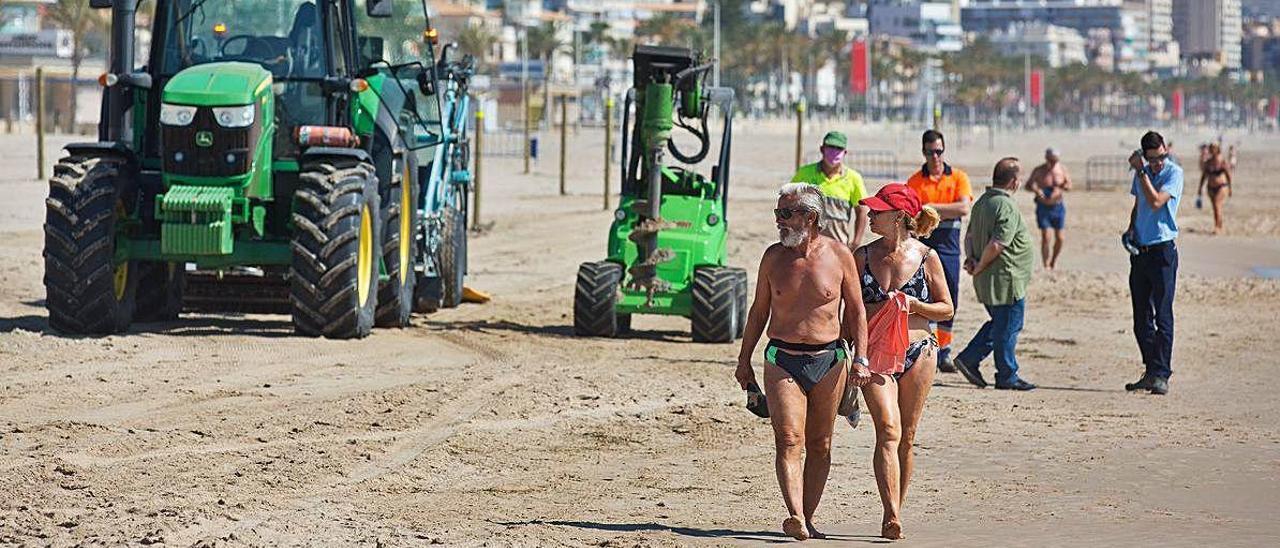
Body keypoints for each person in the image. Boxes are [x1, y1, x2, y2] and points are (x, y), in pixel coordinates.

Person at [736, 183, 871, 541]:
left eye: (785, 214)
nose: (778, 221)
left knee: (821, 443)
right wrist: (744, 359)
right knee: (788, 438)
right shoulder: (772, 257)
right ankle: (794, 514)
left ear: (810, 218)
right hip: (782, 358)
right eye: (777, 213)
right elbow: (758, 311)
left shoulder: (840, 255)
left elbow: (857, 311)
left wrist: (862, 358)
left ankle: (808, 518)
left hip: (830, 360)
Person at [854, 184, 953, 540]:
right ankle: (893, 513)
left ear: (898, 217)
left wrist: (913, 305)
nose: (870, 215)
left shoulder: (927, 257)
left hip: (920, 351)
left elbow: (947, 308)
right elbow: (849, 313)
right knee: (888, 430)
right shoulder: (861, 257)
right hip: (876, 356)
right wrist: (881, 307)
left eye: (877, 211)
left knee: (907, 437)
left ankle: (892, 509)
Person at [951, 158, 1037, 391]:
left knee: (1001, 323)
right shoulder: (1004, 205)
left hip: (990, 278)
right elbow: (998, 243)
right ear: (1013, 182)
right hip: (1005, 279)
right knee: (1009, 325)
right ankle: (1006, 373)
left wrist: (971, 259)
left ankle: (970, 359)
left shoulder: (982, 202)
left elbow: (968, 237)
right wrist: (977, 265)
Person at [906, 130, 971, 373]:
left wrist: (930, 208)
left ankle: (945, 350)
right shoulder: (914, 181)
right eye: (931, 152)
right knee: (923, 295)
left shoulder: (958, 177)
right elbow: (910, 213)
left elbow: (964, 208)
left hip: (950, 246)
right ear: (923, 152)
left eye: (939, 151)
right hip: (923, 244)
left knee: (950, 294)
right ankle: (927, 346)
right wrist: (943, 210)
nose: (936, 156)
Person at [1123, 131, 1183, 395]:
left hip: (1163, 252)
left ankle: (1161, 374)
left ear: (1166, 150)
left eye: (1161, 157)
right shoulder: (1143, 173)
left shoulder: (1173, 173)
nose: (1158, 163)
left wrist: (1141, 172)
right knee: (1141, 319)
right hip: (1141, 251)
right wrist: (1130, 229)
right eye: (1152, 159)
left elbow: (1156, 201)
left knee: (1163, 313)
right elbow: (1139, 205)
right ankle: (1151, 368)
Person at [791, 131, 870, 248]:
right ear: (822, 149)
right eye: (830, 147)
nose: (834, 152)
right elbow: (790, 201)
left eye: (838, 148)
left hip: (837, 246)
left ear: (845, 153)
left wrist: (856, 242)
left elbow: (862, 211)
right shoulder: (804, 173)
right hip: (807, 245)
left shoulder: (854, 178)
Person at [1025, 147, 1073, 270]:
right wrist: (1037, 190)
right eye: (1050, 160)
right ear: (1046, 158)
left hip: (1057, 205)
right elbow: (1028, 185)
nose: (1052, 162)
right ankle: (1046, 264)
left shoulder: (1061, 169)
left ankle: (1053, 261)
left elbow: (1069, 185)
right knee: (1046, 236)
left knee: (1060, 237)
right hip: (1043, 206)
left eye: (1055, 160)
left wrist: (1060, 189)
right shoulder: (1039, 170)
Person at [1197, 143, 1232, 235]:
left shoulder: (1222, 161)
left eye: (1213, 148)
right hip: (1210, 188)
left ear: (1217, 149)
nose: (1211, 150)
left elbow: (1228, 174)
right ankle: (1219, 225)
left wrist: (1230, 188)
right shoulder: (1208, 162)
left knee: (1217, 205)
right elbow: (1204, 176)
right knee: (1215, 208)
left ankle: (1217, 227)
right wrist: (1200, 189)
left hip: (1221, 187)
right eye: (1210, 148)